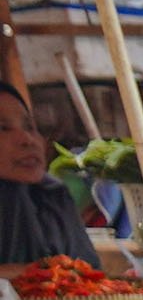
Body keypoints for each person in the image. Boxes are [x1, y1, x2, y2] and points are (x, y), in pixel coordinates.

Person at [0, 85, 96, 267]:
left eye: (30, 127)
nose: (28, 140)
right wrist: (34, 273)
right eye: (3, 128)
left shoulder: (53, 195)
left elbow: (87, 272)